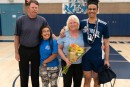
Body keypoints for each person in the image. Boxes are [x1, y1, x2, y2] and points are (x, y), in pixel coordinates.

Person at [60, 0, 110, 87]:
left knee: (97, 81)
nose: (92, 11)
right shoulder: (82, 23)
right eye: (90, 9)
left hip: (98, 57)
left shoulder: (103, 25)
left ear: (97, 10)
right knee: (86, 80)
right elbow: (72, 26)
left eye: (94, 9)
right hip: (85, 57)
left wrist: (106, 60)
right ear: (87, 10)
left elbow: (106, 44)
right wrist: (63, 29)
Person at [14, 1, 49, 87]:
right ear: (28, 8)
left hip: (36, 50)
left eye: (36, 8)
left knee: (35, 74)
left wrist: (62, 33)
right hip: (23, 50)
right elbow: (16, 37)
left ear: (38, 9)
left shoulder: (42, 20)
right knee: (23, 74)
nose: (34, 9)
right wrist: (16, 52)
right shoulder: (20, 20)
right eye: (32, 7)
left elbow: (48, 33)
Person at [57, 15, 84, 87]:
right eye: (70, 23)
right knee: (66, 84)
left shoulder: (82, 33)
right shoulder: (63, 34)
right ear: (68, 24)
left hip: (79, 64)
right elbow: (59, 48)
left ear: (78, 23)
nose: (73, 24)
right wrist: (65, 59)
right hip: (66, 63)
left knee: (78, 83)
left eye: (74, 22)